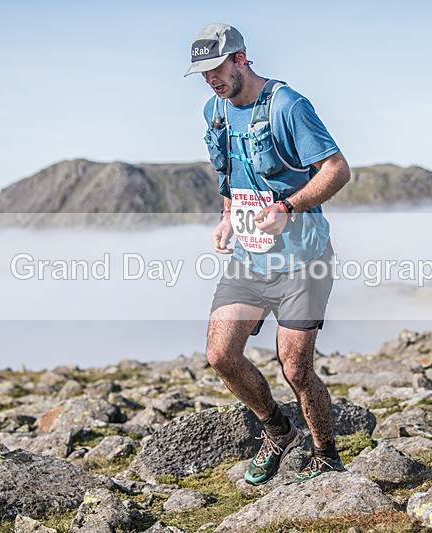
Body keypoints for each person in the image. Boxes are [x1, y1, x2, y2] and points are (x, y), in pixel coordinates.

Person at [185, 22, 351, 484]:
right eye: (202, 73)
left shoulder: (288, 106)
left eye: (216, 68)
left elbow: (337, 170)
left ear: (241, 58)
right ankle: (278, 432)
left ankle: (325, 455)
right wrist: (225, 216)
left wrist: (288, 206)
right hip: (250, 257)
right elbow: (231, 174)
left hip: (303, 260)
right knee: (221, 355)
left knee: (296, 367)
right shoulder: (213, 111)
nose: (211, 80)